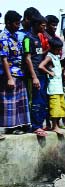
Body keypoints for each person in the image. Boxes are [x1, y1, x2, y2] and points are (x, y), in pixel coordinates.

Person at [0, 10, 31, 138]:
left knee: (18, 102)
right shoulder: (3, 37)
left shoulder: (16, 36)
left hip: (19, 73)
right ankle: (8, 127)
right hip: (10, 74)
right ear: (8, 23)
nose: (18, 26)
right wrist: (9, 78)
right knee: (9, 103)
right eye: (16, 23)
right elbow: (4, 59)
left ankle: (17, 126)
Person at [23, 14, 48, 137]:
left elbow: (37, 54)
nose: (44, 27)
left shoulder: (38, 38)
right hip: (33, 76)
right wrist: (34, 77)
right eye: (43, 25)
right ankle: (34, 126)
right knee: (34, 101)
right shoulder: (28, 39)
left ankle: (39, 123)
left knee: (42, 100)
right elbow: (28, 58)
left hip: (41, 74)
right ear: (37, 25)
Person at [39, 37, 65, 135]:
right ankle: (54, 126)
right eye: (58, 50)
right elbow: (41, 66)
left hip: (59, 87)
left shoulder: (56, 56)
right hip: (53, 87)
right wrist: (49, 72)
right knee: (54, 107)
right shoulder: (49, 56)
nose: (59, 51)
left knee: (61, 106)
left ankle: (57, 125)